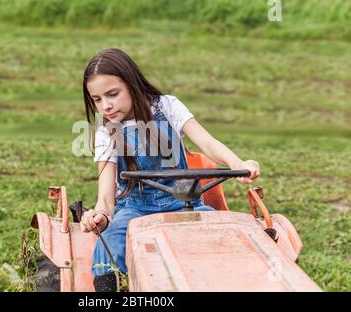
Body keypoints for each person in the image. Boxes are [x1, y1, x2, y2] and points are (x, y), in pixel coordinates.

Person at [80, 48, 260, 292]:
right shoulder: (106, 133)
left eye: (113, 94)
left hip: (186, 202)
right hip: (135, 208)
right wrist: (101, 215)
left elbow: (207, 142)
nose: (106, 106)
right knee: (107, 249)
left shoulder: (167, 106)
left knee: (227, 238)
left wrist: (238, 164)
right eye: (97, 99)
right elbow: (105, 196)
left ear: (132, 85)